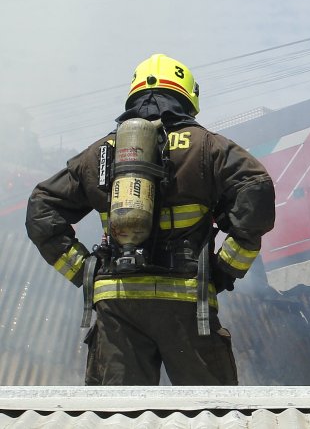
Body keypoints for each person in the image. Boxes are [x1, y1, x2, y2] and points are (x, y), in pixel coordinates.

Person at [25, 54, 275, 385]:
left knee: (120, 409)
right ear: (188, 96)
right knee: (209, 407)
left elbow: (41, 207)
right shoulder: (206, 147)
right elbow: (256, 188)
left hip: (117, 304)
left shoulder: (100, 153)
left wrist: (84, 272)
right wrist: (226, 268)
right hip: (187, 302)